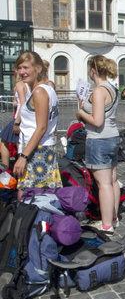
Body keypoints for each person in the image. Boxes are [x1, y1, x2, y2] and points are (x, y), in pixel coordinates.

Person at [76, 55, 120, 234]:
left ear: (93, 70)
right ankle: (114, 218)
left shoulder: (98, 91)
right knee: (112, 180)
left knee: (104, 184)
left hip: (99, 139)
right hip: (113, 136)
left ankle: (107, 225)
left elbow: (97, 120)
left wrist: (80, 113)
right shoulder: (112, 88)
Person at [12, 51, 62, 197]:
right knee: (40, 197)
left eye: (26, 67)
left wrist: (24, 157)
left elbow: (41, 127)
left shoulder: (40, 92)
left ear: (38, 68)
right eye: (19, 68)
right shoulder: (47, 89)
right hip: (42, 148)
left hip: (37, 151)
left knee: (29, 199)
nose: (22, 72)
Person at [0, 74, 31, 166]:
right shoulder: (31, 84)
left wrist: (17, 122)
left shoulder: (20, 84)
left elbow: (23, 104)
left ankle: (6, 168)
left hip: (19, 117)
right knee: (19, 143)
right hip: (26, 117)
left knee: (5, 140)